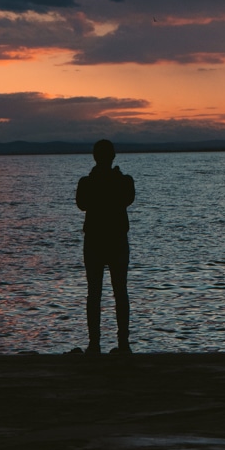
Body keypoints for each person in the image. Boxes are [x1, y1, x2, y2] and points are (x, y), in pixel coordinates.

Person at [76, 138, 135, 354]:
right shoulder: (122, 181)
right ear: (112, 157)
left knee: (95, 293)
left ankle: (95, 344)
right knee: (119, 291)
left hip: (96, 242)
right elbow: (127, 198)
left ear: (95, 157)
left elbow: (82, 202)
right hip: (115, 241)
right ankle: (122, 344)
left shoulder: (88, 182)